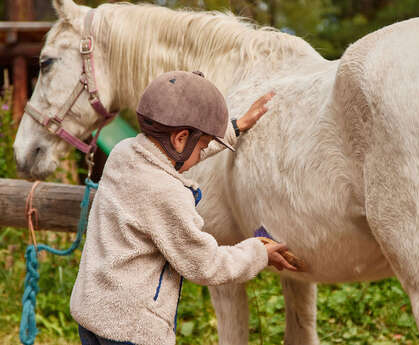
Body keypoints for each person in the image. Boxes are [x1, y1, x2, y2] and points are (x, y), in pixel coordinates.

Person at [70, 71, 296, 345]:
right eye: (202, 145)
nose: (202, 152)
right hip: (130, 330)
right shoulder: (167, 194)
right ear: (180, 138)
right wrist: (258, 253)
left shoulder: (123, 153)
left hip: (93, 313)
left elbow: (175, 157)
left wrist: (235, 128)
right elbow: (206, 265)